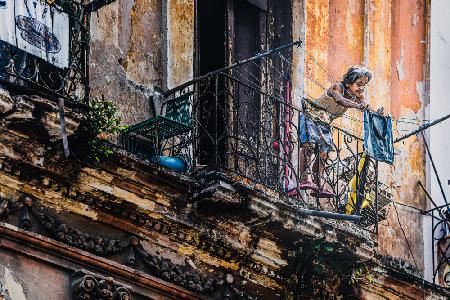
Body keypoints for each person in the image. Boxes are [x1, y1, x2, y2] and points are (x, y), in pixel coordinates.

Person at [297, 65, 373, 198]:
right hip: (311, 115)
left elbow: (363, 103)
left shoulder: (358, 96)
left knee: (323, 153)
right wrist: (358, 105)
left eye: (364, 85)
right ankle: (305, 179)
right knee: (308, 147)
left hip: (325, 122)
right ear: (349, 82)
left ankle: (319, 185)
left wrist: (366, 106)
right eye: (359, 84)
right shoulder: (337, 88)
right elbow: (339, 100)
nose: (361, 88)